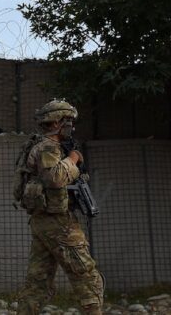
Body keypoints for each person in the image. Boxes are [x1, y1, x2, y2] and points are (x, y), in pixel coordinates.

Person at [18, 99, 104, 315]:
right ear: (58, 122)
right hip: (58, 223)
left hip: (43, 221)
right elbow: (55, 178)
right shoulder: (49, 147)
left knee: (38, 282)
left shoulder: (39, 145)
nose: (72, 127)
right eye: (69, 122)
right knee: (87, 276)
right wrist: (73, 160)